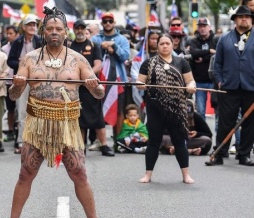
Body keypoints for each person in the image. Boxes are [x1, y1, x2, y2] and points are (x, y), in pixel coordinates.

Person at [0, 7, 110, 218]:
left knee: (79, 173)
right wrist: (17, 84)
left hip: (68, 125)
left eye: (59, 29)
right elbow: (14, 96)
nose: (54, 32)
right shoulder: (29, 58)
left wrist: (94, 86)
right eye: (50, 29)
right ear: (43, 31)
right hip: (37, 124)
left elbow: (99, 94)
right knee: (25, 173)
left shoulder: (78, 60)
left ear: (65, 32)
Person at [136, 34, 196, 184]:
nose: (164, 46)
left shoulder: (182, 62)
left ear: (172, 45)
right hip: (155, 107)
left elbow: (190, 80)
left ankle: (186, 175)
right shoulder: (148, 63)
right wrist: (140, 85)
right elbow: (140, 81)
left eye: (167, 43)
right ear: (157, 46)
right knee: (154, 141)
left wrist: (191, 86)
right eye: (161, 43)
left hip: (177, 107)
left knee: (179, 141)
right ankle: (148, 175)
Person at [206, 5, 254, 166]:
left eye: (247, 17)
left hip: (251, 87)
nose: (244, 19)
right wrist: (220, 81)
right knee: (225, 122)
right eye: (240, 17)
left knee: (250, 124)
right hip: (229, 87)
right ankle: (219, 153)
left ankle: (244, 155)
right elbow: (217, 63)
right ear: (235, 20)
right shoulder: (224, 38)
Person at [70, 19, 114, 156]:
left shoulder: (94, 45)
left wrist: (87, 76)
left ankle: (104, 146)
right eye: (77, 28)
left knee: (98, 118)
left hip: (92, 86)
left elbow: (98, 65)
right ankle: (81, 147)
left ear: (85, 30)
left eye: (82, 28)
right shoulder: (70, 47)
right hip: (77, 87)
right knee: (80, 119)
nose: (79, 31)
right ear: (74, 30)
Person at [91, 12, 130, 147]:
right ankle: (99, 140)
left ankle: (117, 141)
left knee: (118, 110)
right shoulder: (95, 39)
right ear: (102, 23)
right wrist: (102, 48)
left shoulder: (122, 39)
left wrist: (114, 47)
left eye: (110, 21)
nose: (108, 23)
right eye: (105, 21)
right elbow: (91, 57)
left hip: (118, 80)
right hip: (99, 79)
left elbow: (125, 56)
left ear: (113, 23)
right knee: (98, 110)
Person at [7, 16, 42, 154]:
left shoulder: (40, 41)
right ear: (24, 27)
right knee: (21, 111)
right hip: (21, 80)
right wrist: (23, 64)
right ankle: (21, 141)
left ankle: (37, 141)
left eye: (34, 25)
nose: (32, 27)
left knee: (38, 111)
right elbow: (10, 61)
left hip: (38, 81)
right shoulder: (17, 42)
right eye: (29, 25)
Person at [189, 17, 218, 119]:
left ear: (209, 27)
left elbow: (218, 55)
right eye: (200, 26)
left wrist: (203, 58)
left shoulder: (216, 40)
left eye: (204, 26)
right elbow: (193, 53)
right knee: (200, 111)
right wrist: (209, 51)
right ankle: (203, 134)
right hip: (199, 81)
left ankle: (218, 134)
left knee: (218, 110)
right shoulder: (194, 41)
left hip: (214, 81)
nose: (202, 29)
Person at [1, 25, 20, 142]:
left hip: (20, 81)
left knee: (21, 108)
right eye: (7, 33)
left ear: (17, 34)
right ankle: (10, 130)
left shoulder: (21, 45)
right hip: (8, 81)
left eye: (11, 33)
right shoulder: (4, 48)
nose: (9, 35)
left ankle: (19, 131)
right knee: (10, 108)